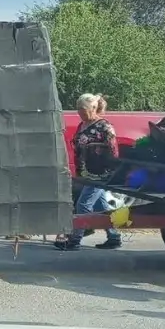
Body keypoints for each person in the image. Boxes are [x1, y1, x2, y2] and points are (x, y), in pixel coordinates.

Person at [54, 93, 122, 251]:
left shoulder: (105, 127)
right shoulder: (82, 125)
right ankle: (114, 236)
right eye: (78, 109)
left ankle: (74, 239)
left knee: (83, 205)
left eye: (83, 109)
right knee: (100, 205)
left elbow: (114, 152)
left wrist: (109, 171)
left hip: (99, 173)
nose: (80, 112)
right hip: (85, 173)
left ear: (93, 108)